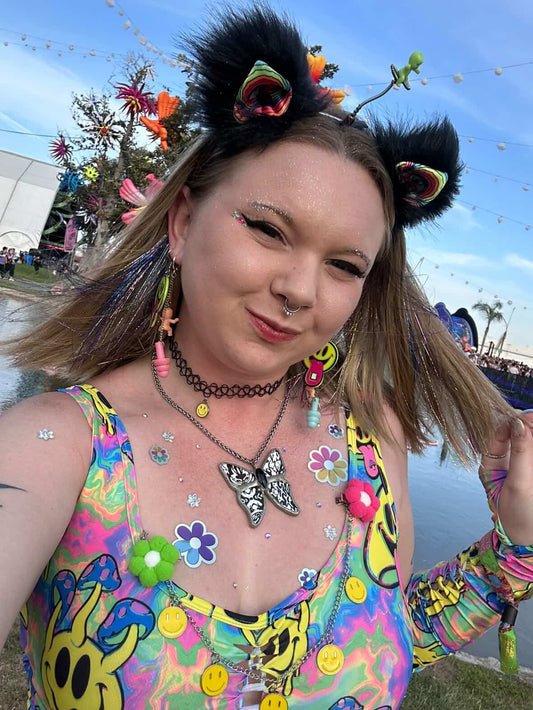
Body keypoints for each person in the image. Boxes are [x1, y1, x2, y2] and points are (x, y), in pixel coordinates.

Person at [0, 8, 532, 710]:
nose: (299, 289)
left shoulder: (372, 442)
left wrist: (516, 546)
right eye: (268, 229)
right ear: (182, 222)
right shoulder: (53, 447)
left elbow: (387, 634)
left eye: (344, 265)